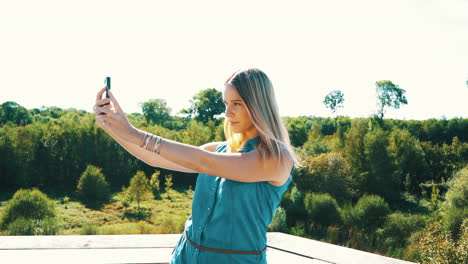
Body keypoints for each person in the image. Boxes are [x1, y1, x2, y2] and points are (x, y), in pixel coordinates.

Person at [93, 68, 300, 263]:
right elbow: (153, 158)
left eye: (237, 103)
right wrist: (112, 127)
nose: (227, 113)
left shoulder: (277, 158)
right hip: (186, 256)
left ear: (258, 106)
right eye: (226, 103)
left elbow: (201, 161)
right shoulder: (219, 149)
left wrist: (135, 133)